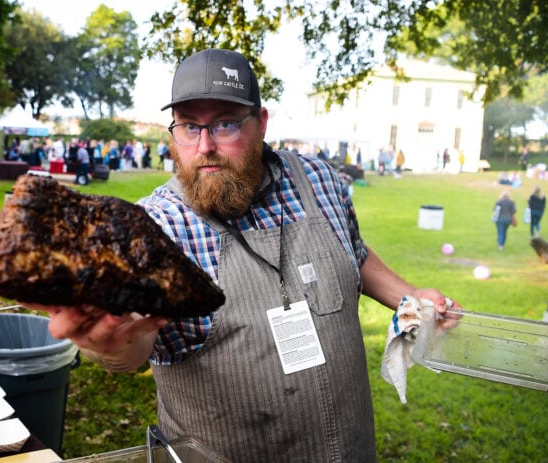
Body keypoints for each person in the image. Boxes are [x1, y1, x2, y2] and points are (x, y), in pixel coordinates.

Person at [22, 48, 460, 462]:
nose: (205, 146)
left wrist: (409, 293)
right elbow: (132, 349)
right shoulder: (155, 230)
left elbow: (354, 252)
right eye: (189, 127)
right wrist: (112, 343)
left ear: (261, 122)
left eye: (226, 124)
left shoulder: (318, 180)